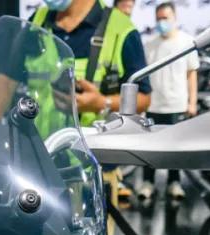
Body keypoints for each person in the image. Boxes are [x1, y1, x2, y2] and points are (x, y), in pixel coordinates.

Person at [29, 0, 151, 126]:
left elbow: (143, 99)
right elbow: (14, 79)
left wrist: (102, 103)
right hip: (37, 136)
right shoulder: (36, 20)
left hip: (93, 137)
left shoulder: (122, 28)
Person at [143, 1, 199, 200]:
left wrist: (192, 102)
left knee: (175, 147)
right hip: (153, 104)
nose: (161, 22)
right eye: (158, 19)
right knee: (149, 148)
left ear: (175, 18)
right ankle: (148, 182)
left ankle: (174, 183)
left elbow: (191, 74)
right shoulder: (149, 45)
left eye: (165, 18)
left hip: (177, 104)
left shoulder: (187, 42)